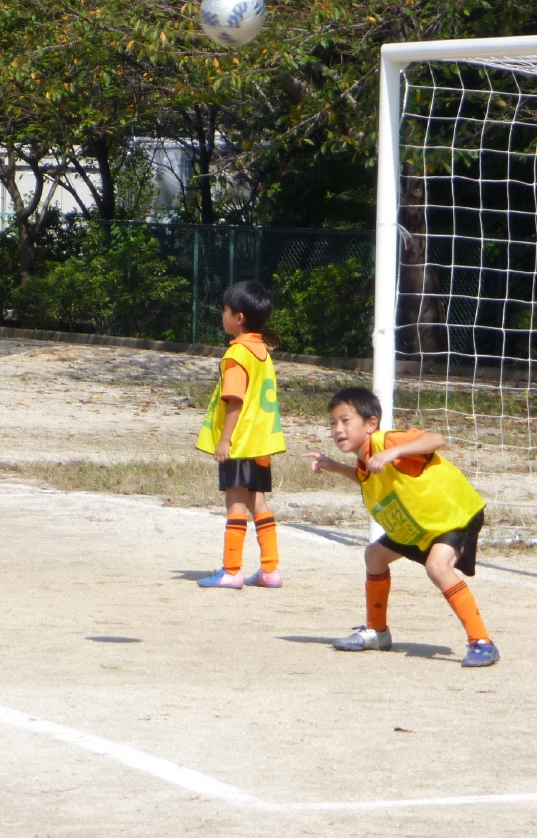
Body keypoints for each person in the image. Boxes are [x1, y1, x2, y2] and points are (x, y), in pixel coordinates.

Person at [305, 386, 499, 667]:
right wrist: (334, 466)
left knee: (437, 567)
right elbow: (366, 477)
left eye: (345, 420)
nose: (338, 429)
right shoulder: (366, 457)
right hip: (419, 526)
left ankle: (482, 642)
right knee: (375, 555)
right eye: (333, 423)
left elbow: (437, 439)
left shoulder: (385, 440)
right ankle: (377, 632)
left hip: (453, 516)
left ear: (371, 423)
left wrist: (394, 450)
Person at [195, 280, 286, 589]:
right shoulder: (262, 351)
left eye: (225, 310)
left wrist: (225, 440)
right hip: (261, 442)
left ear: (239, 318)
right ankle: (270, 569)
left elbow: (234, 399)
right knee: (257, 502)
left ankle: (231, 570)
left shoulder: (237, 354)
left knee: (235, 501)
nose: (222, 315)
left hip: (241, 442)